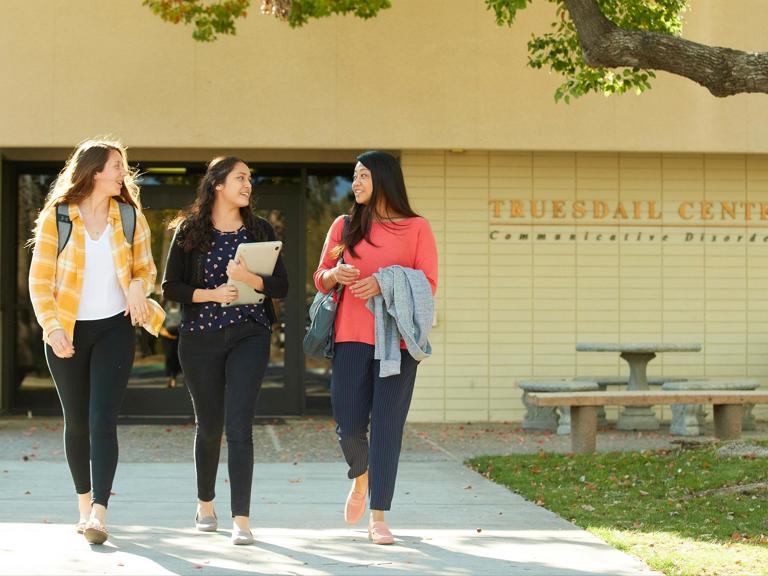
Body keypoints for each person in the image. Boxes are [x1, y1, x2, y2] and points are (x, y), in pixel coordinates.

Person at [27, 139, 164, 545]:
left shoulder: (129, 217)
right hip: (67, 329)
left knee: (103, 420)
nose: (124, 172)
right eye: (116, 166)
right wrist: (52, 328)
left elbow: (146, 268)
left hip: (114, 329)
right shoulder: (59, 218)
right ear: (94, 171)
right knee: (78, 422)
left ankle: (100, 514)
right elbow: (39, 280)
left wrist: (139, 287)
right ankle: (83, 505)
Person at [161, 156, 288, 545]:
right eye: (240, 178)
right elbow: (171, 287)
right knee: (210, 425)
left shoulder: (260, 229)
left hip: (250, 332)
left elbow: (280, 286)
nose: (248, 184)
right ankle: (205, 503)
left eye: (250, 178)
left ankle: (242, 519)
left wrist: (247, 277)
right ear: (217, 184)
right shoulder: (189, 230)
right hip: (200, 337)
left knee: (240, 425)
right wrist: (211, 294)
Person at [313, 150, 438, 544]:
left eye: (363, 175)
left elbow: (428, 284)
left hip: (398, 343)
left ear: (383, 179)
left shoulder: (417, 227)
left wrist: (385, 282)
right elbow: (320, 279)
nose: (356, 184)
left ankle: (379, 516)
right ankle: (361, 478)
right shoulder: (344, 225)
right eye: (354, 176)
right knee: (349, 424)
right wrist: (335, 274)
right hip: (351, 338)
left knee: (386, 429)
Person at [159, 299, 182, 387]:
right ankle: (170, 378)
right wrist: (163, 331)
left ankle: (175, 377)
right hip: (166, 333)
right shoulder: (163, 303)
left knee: (178, 356)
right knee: (169, 356)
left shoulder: (180, 302)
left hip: (179, 332)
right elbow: (158, 319)